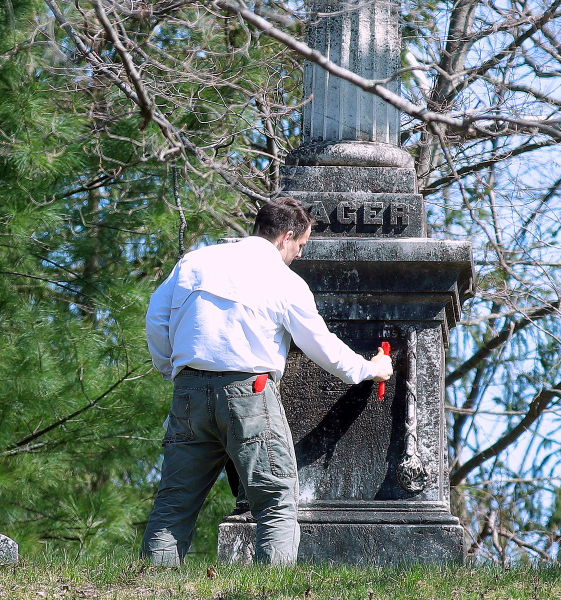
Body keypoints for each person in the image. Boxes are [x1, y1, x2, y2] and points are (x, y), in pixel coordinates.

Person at [141, 197, 393, 566]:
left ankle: (151, 587)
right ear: (285, 237)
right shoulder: (283, 280)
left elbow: (155, 317)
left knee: (173, 503)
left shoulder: (194, 261)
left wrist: (173, 371)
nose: (299, 255)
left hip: (188, 393)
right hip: (250, 395)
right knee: (275, 501)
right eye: (301, 246)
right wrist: (372, 368)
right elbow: (322, 346)